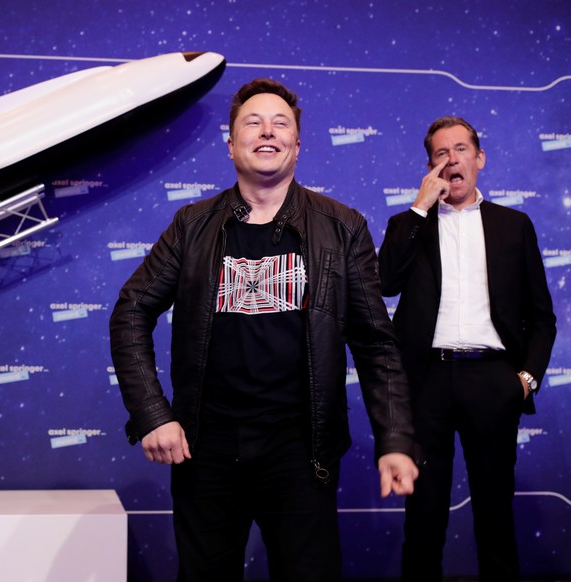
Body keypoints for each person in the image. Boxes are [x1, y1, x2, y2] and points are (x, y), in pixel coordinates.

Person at [109, 78, 418, 581]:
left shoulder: (342, 227)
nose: (267, 132)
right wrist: (150, 413)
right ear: (231, 144)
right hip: (204, 449)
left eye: (281, 124)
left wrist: (397, 438)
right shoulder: (191, 224)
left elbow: (376, 343)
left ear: (298, 144)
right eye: (252, 122)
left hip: (301, 453)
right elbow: (131, 311)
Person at [379, 116, 557, 581]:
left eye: (461, 149)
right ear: (430, 167)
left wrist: (525, 380)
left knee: (496, 517)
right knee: (424, 518)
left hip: (493, 381)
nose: (452, 159)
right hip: (426, 384)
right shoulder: (408, 223)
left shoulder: (514, 225)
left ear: (479, 159)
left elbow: (542, 317)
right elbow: (384, 282)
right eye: (441, 153)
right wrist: (419, 209)